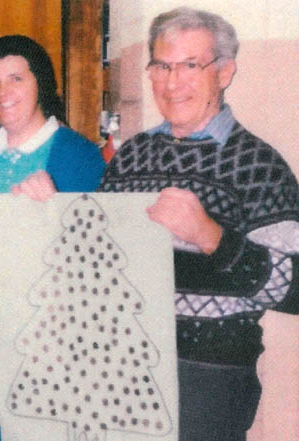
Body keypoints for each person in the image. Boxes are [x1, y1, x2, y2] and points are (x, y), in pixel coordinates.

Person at [99, 8, 299, 441]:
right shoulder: (130, 157)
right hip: (123, 364)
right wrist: (47, 207)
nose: (172, 83)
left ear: (224, 72)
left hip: (209, 379)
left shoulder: (260, 166)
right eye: (162, 66)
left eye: (191, 65)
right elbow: (97, 258)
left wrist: (213, 238)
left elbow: (297, 291)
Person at [0, 35, 106, 441]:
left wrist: (57, 213)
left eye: (16, 78)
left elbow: (98, 266)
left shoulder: (80, 156)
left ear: (42, 84)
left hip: (49, 353)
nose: (3, 93)